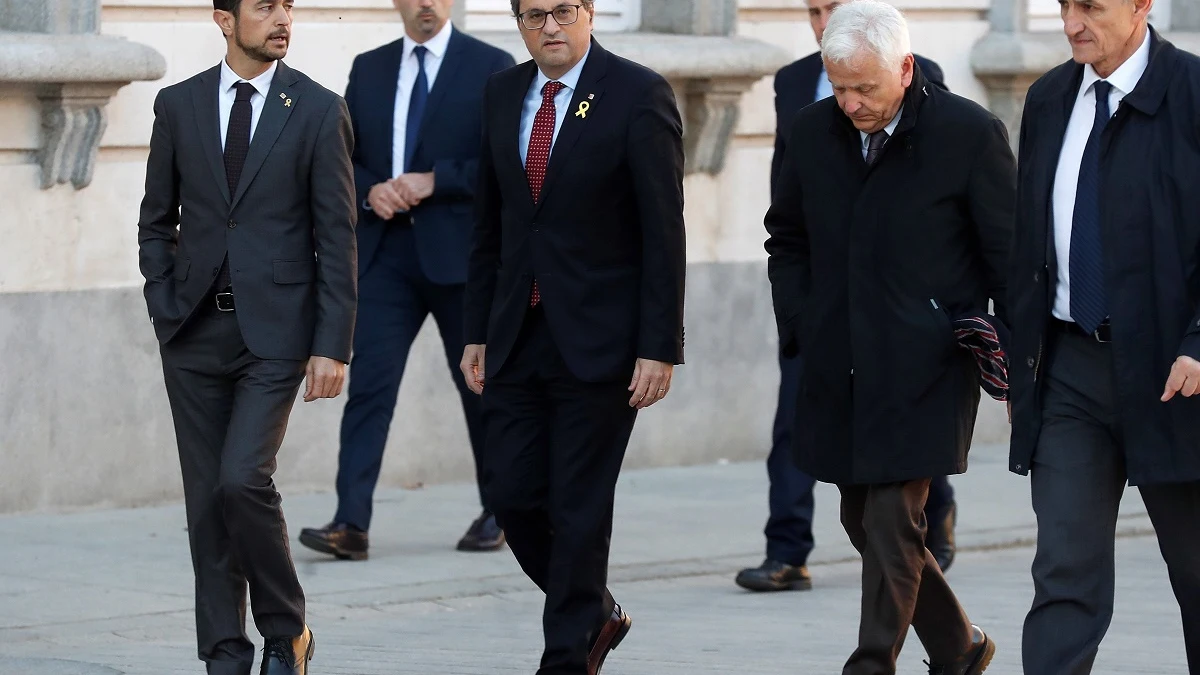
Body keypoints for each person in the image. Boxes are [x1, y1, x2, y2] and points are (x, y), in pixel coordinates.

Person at [763, 1, 1013, 673]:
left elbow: (1008, 256)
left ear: (905, 68)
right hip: (837, 361)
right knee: (859, 519)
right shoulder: (813, 130)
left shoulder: (969, 133)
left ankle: (871, 662)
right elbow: (785, 237)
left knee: (891, 520)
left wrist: (1014, 355)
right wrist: (801, 323)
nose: (849, 102)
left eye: (864, 87)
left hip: (927, 365)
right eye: (838, 86)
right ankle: (960, 648)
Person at [460, 0, 685, 672]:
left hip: (602, 339)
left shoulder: (638, 94)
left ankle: (565, 657)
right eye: (534, 15)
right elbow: (489, 224)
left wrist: (659, 343)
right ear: (519, 23)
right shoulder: (502, 92)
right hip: (516, 332)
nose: (550, 27)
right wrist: (476, 330)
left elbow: (663, 231)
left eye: (563, 11)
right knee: (512, 493)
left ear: (590, 13)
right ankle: (594, 609)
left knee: (578, 502)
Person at [136, 0, 356, 672]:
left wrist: (332, 343)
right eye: (265, 7)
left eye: (287, 7)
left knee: (240, 480)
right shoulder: (178, 106)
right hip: (194, 330)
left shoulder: (319, 111)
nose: (282, 18)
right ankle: (224, 653)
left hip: (277, 335)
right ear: (224, 19)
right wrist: (162, 297)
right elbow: (155, 221)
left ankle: (286, 628)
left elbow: (338, 235)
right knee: (206, 502)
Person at [738, 0, 958, 594]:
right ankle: (786, 549)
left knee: (900, 464)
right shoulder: (791, 83)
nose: (820, 19)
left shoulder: (922, 74)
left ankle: (934, 523)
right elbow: (786, 205)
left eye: (832, 7)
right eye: (812, 9)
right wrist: (798, 313)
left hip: (900, 315)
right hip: (823, 306)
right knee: (794, 427)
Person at [1008, 0, 1200, 672]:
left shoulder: (1193, 94)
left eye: (1091, 6)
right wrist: (1015, 351)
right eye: (1062, 5)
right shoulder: (1048, 98)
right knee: (1064, 575)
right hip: (1068, 372)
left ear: (1144, 4)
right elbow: (1026, 238)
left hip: (1176, 378)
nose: (1070, 23)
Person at [297, 0, 515, 562]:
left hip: (458, 258)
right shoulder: (369, 67)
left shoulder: (491, 64)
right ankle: (351, 523)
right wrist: (371, 188)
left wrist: (433, 182)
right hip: (385, 256)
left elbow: (503, 164)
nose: (426, 4)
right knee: (368, 387)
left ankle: (502, 510)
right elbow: (344, 154)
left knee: (479, 385)